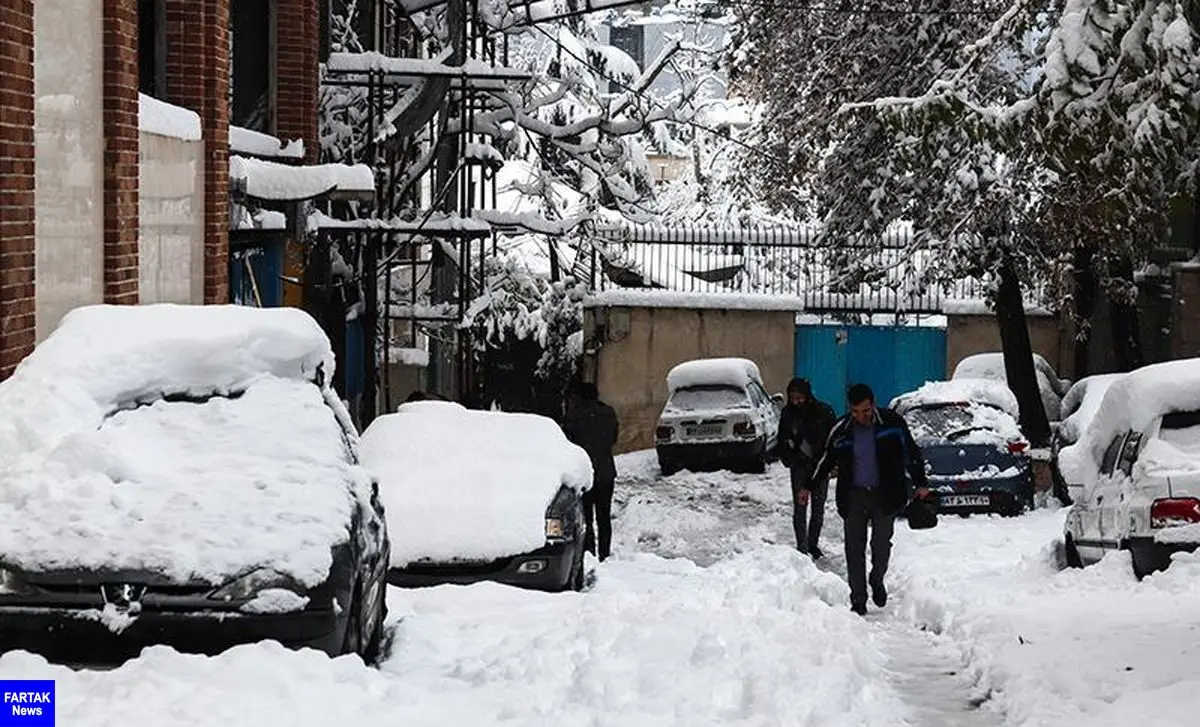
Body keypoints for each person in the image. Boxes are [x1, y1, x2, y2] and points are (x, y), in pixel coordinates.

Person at [809, 383, 931, 615]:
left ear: (872, 405)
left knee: (881, 544)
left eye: (865, 411)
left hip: (885, 494)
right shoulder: (842, 429)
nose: (861, 417)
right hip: (853, 495)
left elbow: (912, 452)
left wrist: (921, 482)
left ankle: (877, 578)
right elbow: (826, 460)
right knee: (854, 549)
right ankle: (858, 599)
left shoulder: (892, 424)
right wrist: (809, 486)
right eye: (855, 412)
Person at [775, 377, 837, 558]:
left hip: (820, 466)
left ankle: (813, 544)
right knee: (800, 507)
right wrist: (788, 456)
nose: (796, 401)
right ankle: (801, 546)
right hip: (799, 466)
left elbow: (833, 439)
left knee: (818, 507)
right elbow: (782, 438)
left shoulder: (822, 412)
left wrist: (831, 462)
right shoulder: (788, 413)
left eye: (799, 397)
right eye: (793, 398)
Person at [560, 380, 620, 561]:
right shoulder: (608, 413)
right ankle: (604, 553)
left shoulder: (574, 417)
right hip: (606, 472)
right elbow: (613, 438)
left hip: (585, 474)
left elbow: (568, 443)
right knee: (604, 517)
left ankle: (589, 553)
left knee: (586, 518)